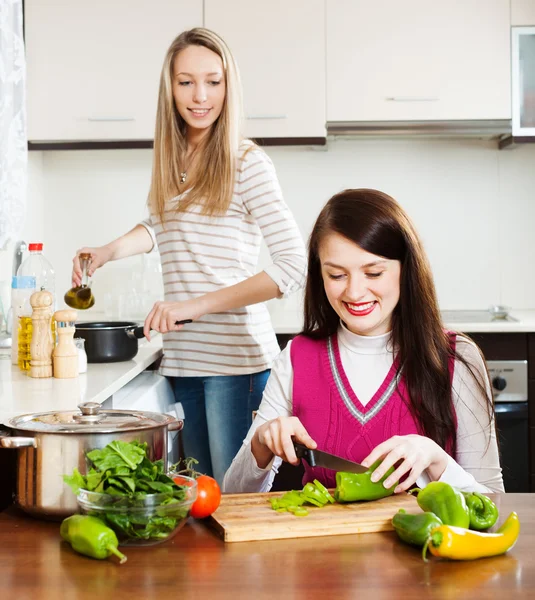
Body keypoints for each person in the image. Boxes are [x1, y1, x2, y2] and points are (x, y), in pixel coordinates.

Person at [71, 28, 306, 485]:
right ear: (170, 88)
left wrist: (190, 307)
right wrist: (107, 252)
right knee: (198, 503)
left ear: (228, 86)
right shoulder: (176, 157)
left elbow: (292, 265)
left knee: (235, 502)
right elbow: (159, 226)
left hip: (235, 363)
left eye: (213, 82)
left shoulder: (246, 161)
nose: (200, 96)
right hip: (185, 359)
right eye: (186, 82)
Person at [223, 188, 504, 494]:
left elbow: (494, 502)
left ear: (405, 270)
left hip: (428, 542)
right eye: (337, 275)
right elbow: (234, 495)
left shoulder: (456, 357)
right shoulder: (297, 357)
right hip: (322, 542)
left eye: (373, 272)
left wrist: (437, 461)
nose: (355, 293)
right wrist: (262, 443)